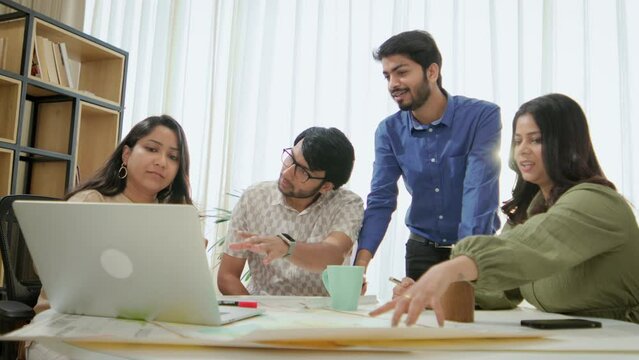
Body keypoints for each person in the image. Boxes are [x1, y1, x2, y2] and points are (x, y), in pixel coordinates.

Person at [370, 93, 639, 327]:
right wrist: (432, 293)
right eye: (517, 140)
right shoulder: (531, 212)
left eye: (535, 140)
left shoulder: (596, 203)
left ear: (567, 145)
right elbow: (503, 289)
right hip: (575, 338)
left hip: (621, 338)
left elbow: (527, 247)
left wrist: (450, 269)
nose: (522, 151)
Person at [27, 115, 193, 359]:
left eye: (173, 157)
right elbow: (48, 266)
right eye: (151, 149)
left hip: (139, 333)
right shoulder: (91, 201)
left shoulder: (173, 218)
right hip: (66, 329)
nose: (161, 162)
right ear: (126, 154)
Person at [355, 30, 502, 283]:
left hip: (474, 251)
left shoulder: (481, 117)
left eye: (402, 72)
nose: (393, 84)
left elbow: (478, 191)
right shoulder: (388, 131)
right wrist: (359, 267)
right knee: (421, 323)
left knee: (473, 321)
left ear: (431, 72)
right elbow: (381, 198)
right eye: (387, 76)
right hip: (421, 253)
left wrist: (461, 263)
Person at [218, 127, 364, 296]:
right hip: (263, 310)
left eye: (303, 172)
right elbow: (227, 276)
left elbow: (334, 254)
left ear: (326, 186)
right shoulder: (254, 197)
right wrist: (256, 314)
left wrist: (287, 248)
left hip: (321, 315)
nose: (287, 172)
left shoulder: (346, 203)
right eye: (291, 158)